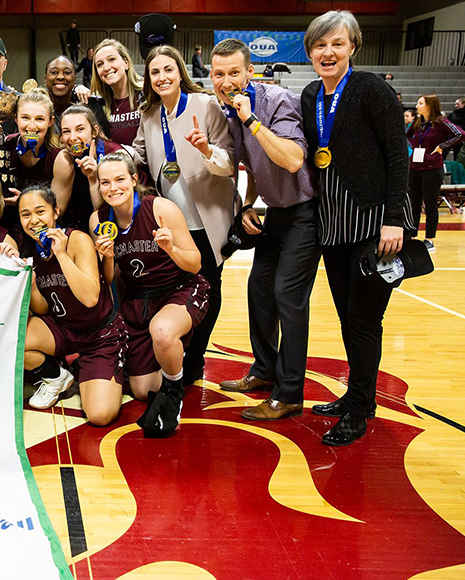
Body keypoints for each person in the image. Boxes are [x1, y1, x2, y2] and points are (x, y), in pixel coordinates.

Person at [300, 10, 416, 446]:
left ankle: (361, 409)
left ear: (353, 47)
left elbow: (396, 156)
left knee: (365, 320)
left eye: (337, 43)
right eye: (320, 45)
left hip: (373, 224)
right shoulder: (311, 93)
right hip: (334, 225)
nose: (328, 52)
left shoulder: (371, 89)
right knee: (349, 319)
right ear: (310, 51)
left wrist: (393, 218)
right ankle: (354, 396)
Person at [209, 38, 322, 419]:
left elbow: (291, 159)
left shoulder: (276, 102)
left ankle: (289, 393)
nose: (226, 81)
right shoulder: (230, 113)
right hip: (275, 213)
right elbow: (255, 167)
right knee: (259, 290)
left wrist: (251, 120)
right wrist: (247, 204)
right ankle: (264, 369)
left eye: (234, 72)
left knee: (287, 297)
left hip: (305, 213)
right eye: (219, 73)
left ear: (250, 72)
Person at [133, 44, 236, 387]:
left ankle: (195, 359)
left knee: (210, 285)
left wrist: (207, 150)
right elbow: (138, 156)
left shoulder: (204, 105)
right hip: (174, 221)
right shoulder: (149, 115)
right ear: (148, 79)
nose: (162, 77)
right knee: (187, 290)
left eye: (168, 70)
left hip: (208, 217)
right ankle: (182, 353)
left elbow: (228, 163)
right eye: (155, 72)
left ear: (180, 73)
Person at [90, 152, 208, 436]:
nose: (112, 188)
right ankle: (181, 363)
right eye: (105, 182)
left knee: (163, 331)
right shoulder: (98, 219)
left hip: (181, 288)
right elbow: (109, 279)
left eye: (119, 179)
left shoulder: (161, 209)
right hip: (140, 298)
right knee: (143, 390)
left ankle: (173, 393)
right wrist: (106, 258)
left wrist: (171, 249)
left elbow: (195, 262)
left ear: (133, 180)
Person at [17, 185, 130, 425]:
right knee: (12, 340)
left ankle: (99, 367)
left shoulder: (77, 239)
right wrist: (34, 286)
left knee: (100, 415)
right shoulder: (29, 248)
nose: (34, 220)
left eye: (40, 212)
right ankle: (56, 375)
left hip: (99, 334)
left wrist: (61, 256)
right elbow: (43, 310)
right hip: (63, 328)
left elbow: (90, 298)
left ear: (55, 212)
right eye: (26, 215)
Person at [52, 105, 122, 230]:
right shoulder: (64, 158)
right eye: (66, 131)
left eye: (80, 129)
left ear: (94, 131)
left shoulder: (115, 156)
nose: (73, 138)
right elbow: (57, 211)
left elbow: (107, 213)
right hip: (80, 222)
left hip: (114, 220)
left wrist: (93, 178)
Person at [408, 94, 463, 252]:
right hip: (415, 168)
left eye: (420, 103)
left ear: (429, 106)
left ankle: (429, 239)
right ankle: (412, 235)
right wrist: (413, 146)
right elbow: (407, 136)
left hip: (432, 169)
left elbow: (460, 134)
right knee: (414, 204)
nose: (417, 106)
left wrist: (441, 146)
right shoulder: (418, 122)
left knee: (430, 205)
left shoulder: (441, 122)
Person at [90, 39, 144, 147]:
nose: (106, 68)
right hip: (114, 162)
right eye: (100, 64)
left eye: (111, 59)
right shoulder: (98, 104)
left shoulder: (146, 95)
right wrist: (77, 88)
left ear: (126, 63)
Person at [4, 90, 57, 194]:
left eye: (40, 119)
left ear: (50, 121)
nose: (32, 126)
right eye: (25, 118)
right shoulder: (6, 145)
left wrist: (23, 202)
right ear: (16, 119)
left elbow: (59, 207)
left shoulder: (59, 157)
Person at [44, 55, 109, 135]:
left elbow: (105, 141)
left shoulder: (90, 105)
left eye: (67, 72)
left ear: (75, 79)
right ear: (45, 78)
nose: (60, 77)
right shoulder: (37, 106)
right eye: (54, 72)